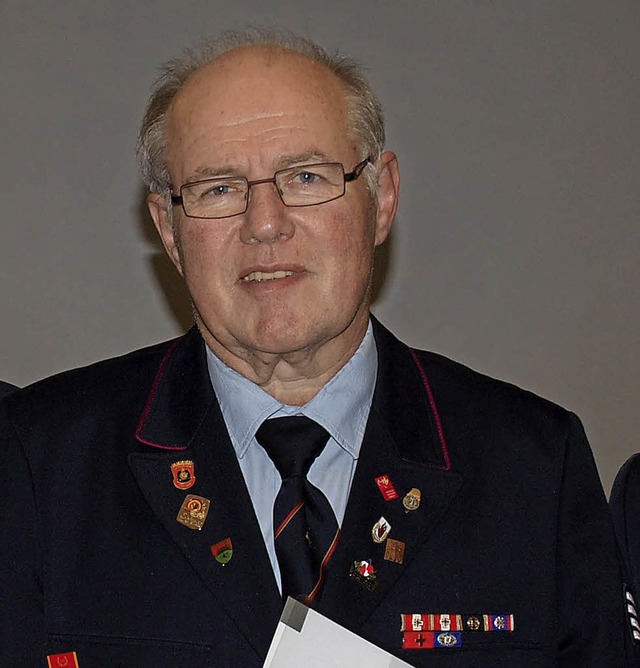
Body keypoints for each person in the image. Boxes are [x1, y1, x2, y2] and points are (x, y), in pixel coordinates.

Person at [0, 28, 631, 667]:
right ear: (168, 226)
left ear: (381, 199)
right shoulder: (37, 462)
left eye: (306, 176)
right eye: (219, 188)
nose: (265, 223)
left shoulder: (534, 465)